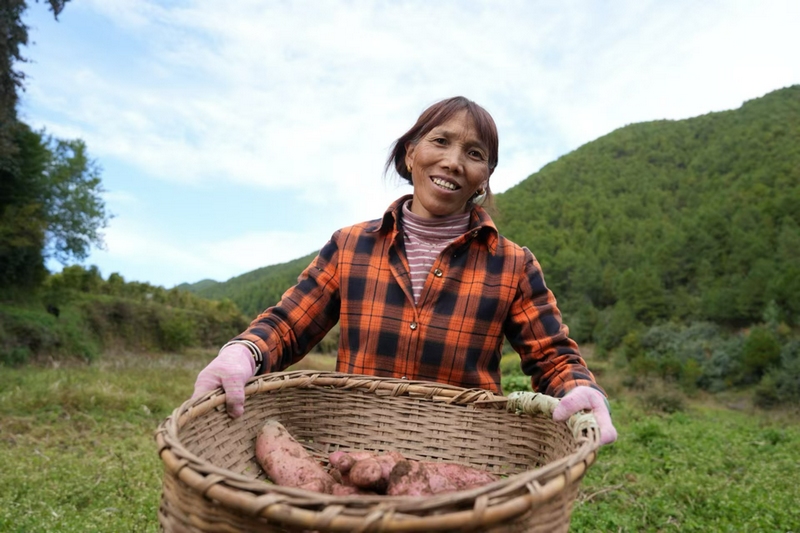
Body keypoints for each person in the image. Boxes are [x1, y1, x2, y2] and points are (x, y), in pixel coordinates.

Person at [192, 96, 617, 445]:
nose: (453, 162)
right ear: (410, 153)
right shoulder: (350, 245)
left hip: (463, 457)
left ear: (484, 178)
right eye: (440, 141)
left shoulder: (512, 264)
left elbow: (552, 356)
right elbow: (288, 325)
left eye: (474, 154)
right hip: (352, 447)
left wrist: (581, 390)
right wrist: (242, 354)